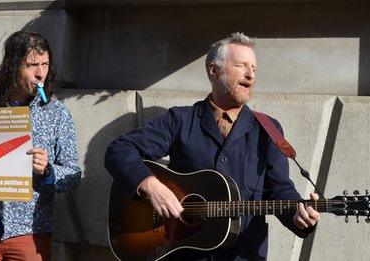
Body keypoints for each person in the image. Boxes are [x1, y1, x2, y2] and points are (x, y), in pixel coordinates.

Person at [105, 32, 320, 260]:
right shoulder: (180, 120)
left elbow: (279, 190)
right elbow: (119, 150)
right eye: (241, 65)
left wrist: (299, 217)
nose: (250, 75)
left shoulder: (268, 129)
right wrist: (152, 187)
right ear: (214, 70)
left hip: (243, 255)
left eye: (254, 69)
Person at [0, 31, 82, 261]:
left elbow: (73, 175)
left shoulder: (57, 112)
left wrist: (48, 170)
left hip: (30, 232)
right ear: (12, 66)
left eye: (45, 64)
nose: (40, 73)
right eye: (31, 65)